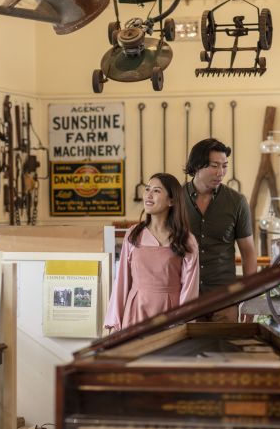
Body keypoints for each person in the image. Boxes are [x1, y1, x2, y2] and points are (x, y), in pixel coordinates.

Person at [104, 173, 199, 332]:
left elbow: (189, 289)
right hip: (135, 311)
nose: (148, 194)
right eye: (147, 189)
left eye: (156, 191)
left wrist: (182, 325)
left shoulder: (186, 240)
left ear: (172, 201)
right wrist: (115, 322)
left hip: (170, 314)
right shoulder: (134, 234)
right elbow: (122, 281)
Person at [183, 138, 257, 322]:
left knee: (226, 349)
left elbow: (248, 253)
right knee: (184, 351)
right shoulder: (175, 200)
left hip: (225, 299)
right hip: (185, 297)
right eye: (214, 166)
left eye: (224, 166)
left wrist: (250, 301)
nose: (221, 172)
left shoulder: (237, 201)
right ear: (197, 165)